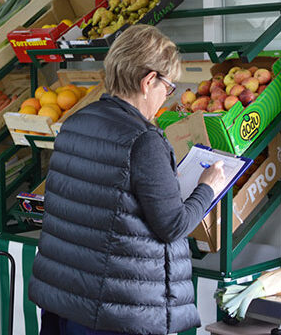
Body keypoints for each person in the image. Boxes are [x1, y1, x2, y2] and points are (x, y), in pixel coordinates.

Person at [28, 25, 226, 335]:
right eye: (168, 88)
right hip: (117, 312)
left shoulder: (75, 123)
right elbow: (172, 226)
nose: (166, 96)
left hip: (66, 300)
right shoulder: (143, 140)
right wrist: (208, 187)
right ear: (149, 81)